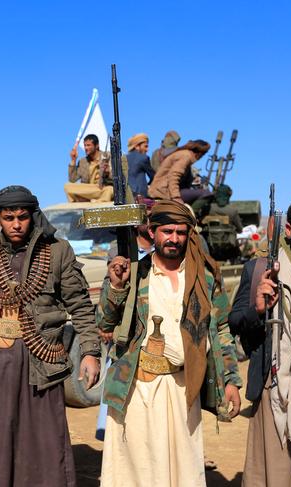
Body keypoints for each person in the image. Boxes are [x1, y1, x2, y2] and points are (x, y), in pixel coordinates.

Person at [0, 185, 100, 486]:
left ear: (33, 216)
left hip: (40, 361)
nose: (16, 224)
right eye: (8, 218)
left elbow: (81, 306)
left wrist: (90, 351)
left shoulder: (56, 252)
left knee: (44, 441)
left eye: (22, 217)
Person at [99, 200, 242, 487]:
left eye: (180, 232)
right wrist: (115, 287)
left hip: (182, 387)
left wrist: (231, 380)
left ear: (190, 233)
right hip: (136, 389)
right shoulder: (135, 273)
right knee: (135, 470)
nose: (173, 238)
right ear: (152, 233)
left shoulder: (205, 276)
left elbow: (222, 331)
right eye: (167, 231)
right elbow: (105, 324)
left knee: (183, 469)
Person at [231, 196, 291, 486]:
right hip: (275, 388)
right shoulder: (259, 270)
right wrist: (258, 309)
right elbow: (235, 322)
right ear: (289, 230)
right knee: (276, 474)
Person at [148, 139, 211, 204]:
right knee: (206, 193)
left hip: (167, 190)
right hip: (164, 191)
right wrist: (176, 197)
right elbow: (174, 176)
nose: (202, 157)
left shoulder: (186, 156)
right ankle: (191, 213)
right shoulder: (185, 156)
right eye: (203, 154)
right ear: (200, 153)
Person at [64, 134, 113, 202]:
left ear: (96, 145)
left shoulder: (108, 156)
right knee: (67, 187)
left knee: (110, 190)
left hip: (103, 188)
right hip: (90, 189)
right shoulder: (83, 162)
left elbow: (116, 177)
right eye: (85, 145)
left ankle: (98, 202)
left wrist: (107, 172)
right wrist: (73, 160)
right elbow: (72, 179)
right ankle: (89, 199)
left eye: (88, 145)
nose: (86, 148)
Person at [126, 133, 155, 197]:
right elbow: (154, 177)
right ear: (137, 146)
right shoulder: (144, 158)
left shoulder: (123, 158)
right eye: (145, 146)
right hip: (141, 195)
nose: (147, 150)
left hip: (126, 195)